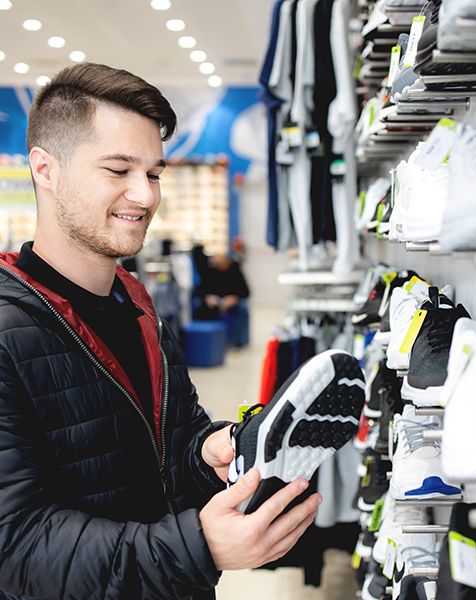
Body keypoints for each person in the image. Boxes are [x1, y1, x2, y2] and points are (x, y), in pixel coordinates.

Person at [0, 62, 321, 600]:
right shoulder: (9, 331)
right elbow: (15, 546)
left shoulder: (137, 304)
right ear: (45, 169)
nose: (146, 197)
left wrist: (207, 451)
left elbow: (166, 446)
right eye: (118, 169)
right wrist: (201, 547)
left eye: (153, 173)